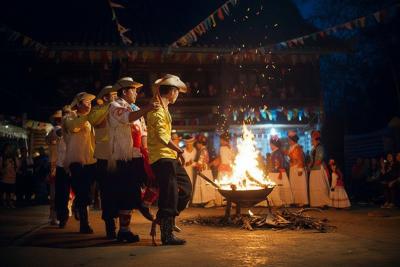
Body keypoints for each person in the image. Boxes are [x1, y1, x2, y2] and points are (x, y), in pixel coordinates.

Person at [107, 77, 158, 242]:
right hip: (123, 156)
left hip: (137, 155)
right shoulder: (114, 106)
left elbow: (143, 132)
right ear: (124, 92)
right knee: (125, 194)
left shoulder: (135, 108)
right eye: (133, 90)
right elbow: (127, 118)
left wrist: (146, 152)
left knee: (154, 179)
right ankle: (124, 230)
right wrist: (148, 107)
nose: (136, 93)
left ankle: (144, 204)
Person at [147, 74, 192, 245]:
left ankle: (163, 218)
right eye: (177, 91)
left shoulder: (164, 109)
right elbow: (161, 137)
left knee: (186, 189)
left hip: (169, 157)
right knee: (169, 195)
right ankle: (167, 235)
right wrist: (179, 150)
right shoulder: (157, 110)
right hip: (161, 158)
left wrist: (175, 154)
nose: (178, 95)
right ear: (172, 91)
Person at [87, 85, 118, 238]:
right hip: (104, 157)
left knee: (118, 191)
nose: (116, 97)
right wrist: (110, 107)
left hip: (117, 156)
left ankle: (119, 224)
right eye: (113, 95)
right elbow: (95, 121)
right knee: (107, 192)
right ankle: (110, 225)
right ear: (105, 98)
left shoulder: (118, 108)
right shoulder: (96, 110)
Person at [63, 92, 97, 233]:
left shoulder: (89, 119)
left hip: (91, 158)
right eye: (85, 102)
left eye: (90, 102)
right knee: (83, 191)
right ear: (77, 104)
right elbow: (74, 127)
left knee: (88, 191)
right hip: (76, 159)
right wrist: (86, 116)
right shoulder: (68, 117)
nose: (89, 104)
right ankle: (85, 223)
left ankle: (78, 204)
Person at [52, 106, 71, 228]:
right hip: (61, 165)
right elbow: (59, 133)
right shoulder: (58, 128)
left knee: (78, 192)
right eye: (65, 114)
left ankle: (77, 212)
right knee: (62, 193)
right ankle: (62, 217)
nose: (67, 116)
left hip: (74, 163)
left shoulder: (73, 126)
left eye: (69, 114)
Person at [267, 135, 293, 206]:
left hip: (277, 173)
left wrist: (274, 169)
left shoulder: (277, 152)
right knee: (277, 188)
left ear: (273, 144)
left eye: (270, 144)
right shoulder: (277, 152)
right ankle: (278, 202)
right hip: (276, 173)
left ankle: (278, 202)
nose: (270, 146)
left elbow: (278, 164)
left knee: (276, 188)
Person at [192, 134, 216, 207]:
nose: (196, 146)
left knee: (205, 186)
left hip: (204, 170)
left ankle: (210, 201)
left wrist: (192, 163)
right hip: (204, 170)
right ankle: (203, 201)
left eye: (197, 144)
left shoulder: (203, 151)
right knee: (203, 186)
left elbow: (200, 162)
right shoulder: (204, 150)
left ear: (200, 143)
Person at [308, 130, 331, 207]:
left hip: (318, 169)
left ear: (315, 138)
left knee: (320, 185)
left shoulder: (320, 147)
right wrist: (310, 165)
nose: (311, 140)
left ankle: (323, 202)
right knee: (314, 186)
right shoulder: (312, 149)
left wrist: (313, 164)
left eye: (312, 138)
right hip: (313, 169)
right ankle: (316, 202)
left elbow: (319, 159)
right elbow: (312, 160)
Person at [286, 130, 308, 207]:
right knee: (294, 185)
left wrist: (300, 169)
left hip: (298, 168)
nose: (288, 141)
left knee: (300, 185)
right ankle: (295, 200)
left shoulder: (297, 147)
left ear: (292, 140)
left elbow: (300, 159)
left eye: (289, 139)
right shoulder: (291, 148)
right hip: (292, 168)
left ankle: (302, 202)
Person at [0, 144, 18, 208]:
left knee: (11, 191)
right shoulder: (2, 158)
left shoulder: (14, 158)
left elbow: (17, 166)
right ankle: (4, 203)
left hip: (12, 177)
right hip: (5, 177)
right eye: (8, 148)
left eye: (10, 149)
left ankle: (10, 203)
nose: (9, 150)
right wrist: (3, 170)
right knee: (4, 191)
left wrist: (15, 170)